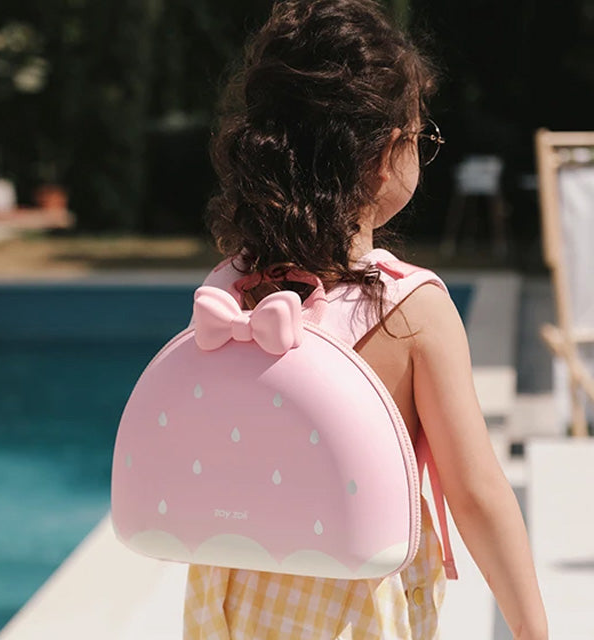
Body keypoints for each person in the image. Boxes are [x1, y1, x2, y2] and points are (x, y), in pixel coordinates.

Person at [183, 1, 547, 638]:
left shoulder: (229, 290)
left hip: (233, 595)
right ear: (385, 153)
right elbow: (477, 493)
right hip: (355, 609)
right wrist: (533, 630)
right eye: (421, 137)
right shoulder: (412, 311)